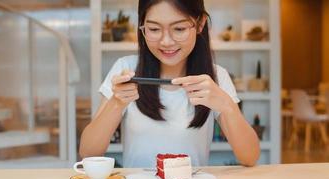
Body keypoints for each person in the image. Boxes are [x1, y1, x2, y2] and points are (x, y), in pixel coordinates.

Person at [80, 0, 260, 168]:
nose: (166, 41)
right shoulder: (125, 69)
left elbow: (250, 157)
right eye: (154, 29)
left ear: (200, 24)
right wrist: (116, 104)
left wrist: (227, 107)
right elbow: (88, 153)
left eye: (179, 28)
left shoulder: (216, 76)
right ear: (142, 27)